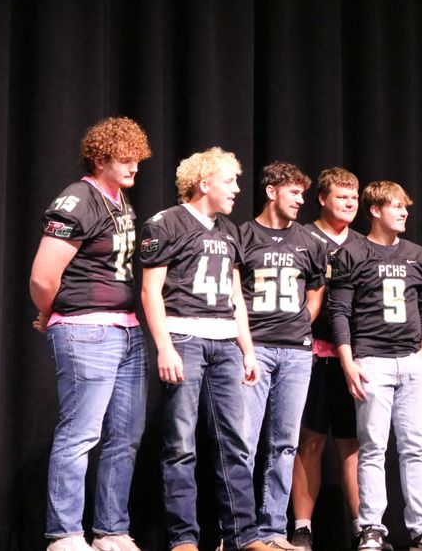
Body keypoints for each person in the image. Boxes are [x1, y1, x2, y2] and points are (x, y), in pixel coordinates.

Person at [138, 147, 271, 551]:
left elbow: (235, 295)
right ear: (204, 183)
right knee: (180, 443)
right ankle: (183, 539)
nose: (236, 189)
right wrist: (165, 346)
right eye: (229, 180)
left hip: (225, 343)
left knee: (235, 442)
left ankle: (243, 537)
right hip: (184, 339)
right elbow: (150, 291)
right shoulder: (166, 223)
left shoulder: (230, 231)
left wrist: (246, 348)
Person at [30, 117, 152, 551]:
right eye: (125, 158)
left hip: (127, 330)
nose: (134, 165)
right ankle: (64, 534)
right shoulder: (78, 198)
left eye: (138, 157)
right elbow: (44, 277)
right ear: (100, 159)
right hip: (86, 329)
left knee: (125, 436)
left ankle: (111, 530)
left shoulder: (120, 201)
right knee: (81, 433)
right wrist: (50, 313)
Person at [330, 181, 422, 551]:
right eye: (396, 206)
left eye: (406, 207)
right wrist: (349, 362)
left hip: (413, 362)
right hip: (372, 361)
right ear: (375, 210)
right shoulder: (351, 253)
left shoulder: (419, 255)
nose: (404, 213)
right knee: (372, 446)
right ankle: (371, 527)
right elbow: (339, 312)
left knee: (416, 446)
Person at [238, 162, 328, 549]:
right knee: (243, 441)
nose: (300, 201)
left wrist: (299, 322)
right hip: (253, 348)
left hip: (295, 352)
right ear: (272, 191)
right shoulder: (242, 236)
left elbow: (316, 290)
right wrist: (245, 343)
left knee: (285, 442)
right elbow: (230, 290)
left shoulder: (310, 242)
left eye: (303, 194)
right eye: (294, 193)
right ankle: (238, 531)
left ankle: (273, 531)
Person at [290, 168, 364, 551]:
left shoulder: (364, 244)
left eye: (354, 198)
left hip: (355, 358)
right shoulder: (301, 238)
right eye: (342, 197)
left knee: (352, 444)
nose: (350, 204)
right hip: (311, 354)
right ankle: (302, 527)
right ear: (322, 199)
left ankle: (363, 527)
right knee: (310, 440)